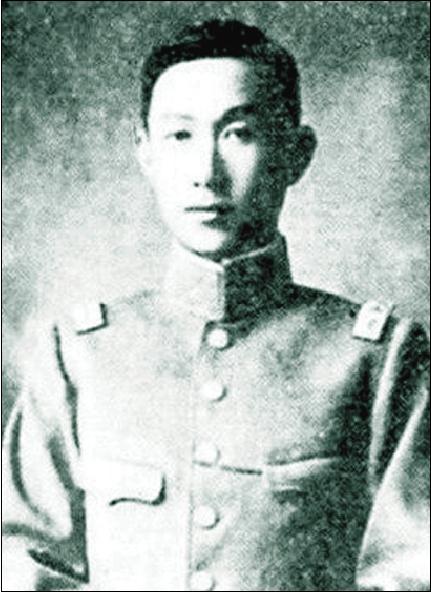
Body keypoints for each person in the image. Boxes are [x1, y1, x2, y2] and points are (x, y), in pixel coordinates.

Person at [2, 18, 429, 592]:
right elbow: (20, 561)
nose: (206, 173)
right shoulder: (79, 355)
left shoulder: (380, 358)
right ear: (145, 152)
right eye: (180, 136)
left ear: (296, 153)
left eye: (239, 133)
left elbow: (415, 568)